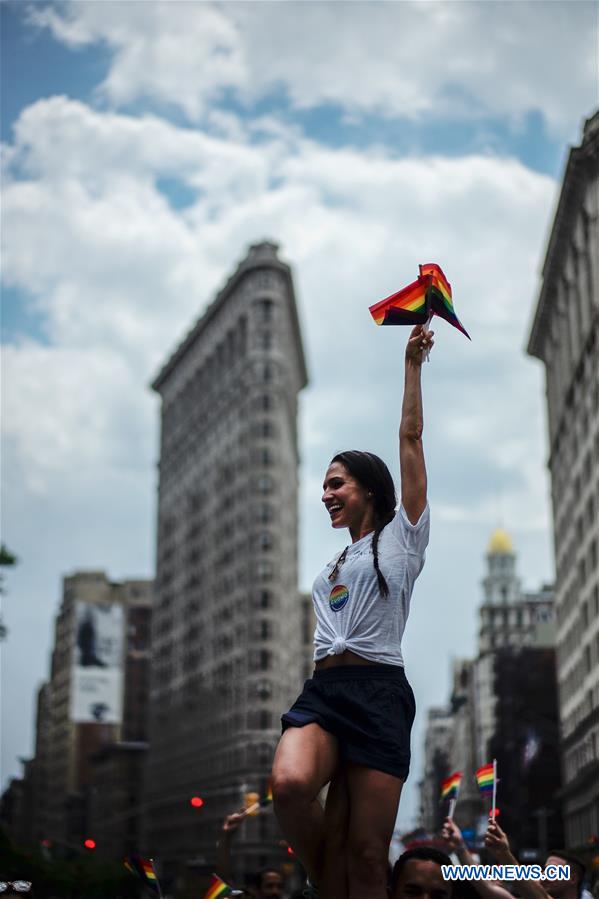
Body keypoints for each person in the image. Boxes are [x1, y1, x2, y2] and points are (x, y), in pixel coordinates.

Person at [272, 324, 434, 899]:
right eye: (323, 486)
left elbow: (411, 439)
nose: (326, 494)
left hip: (378, 694)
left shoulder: (402, 539)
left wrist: (411, 366)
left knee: (368, 857)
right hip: (324, 691)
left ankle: (343, 884)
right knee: (288, 785)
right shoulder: (338, 559)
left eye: (335, 483)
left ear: (367, 488)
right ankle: (328, 882)